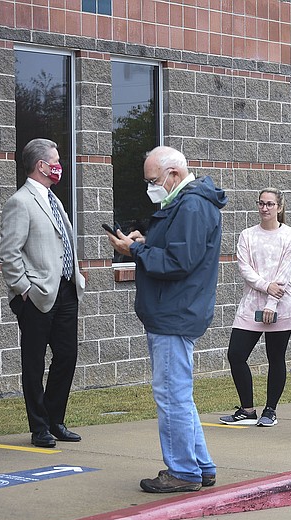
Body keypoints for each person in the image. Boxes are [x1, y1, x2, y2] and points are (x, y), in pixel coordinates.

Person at [108, 146, 226, 492]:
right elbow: (177, 248)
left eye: (153, 181)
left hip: (174, 312)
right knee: (179, 393)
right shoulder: (188, 203)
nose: (151, 188)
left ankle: (183, 472)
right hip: (175, 310)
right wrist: (147, 239)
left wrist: (136, 251)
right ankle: (200, 465)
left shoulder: (191, 205)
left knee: (171, 395)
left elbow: (178, 261)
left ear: (174, 174)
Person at [0, 138, 86, 448]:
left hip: (65, 291)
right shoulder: (20, 202)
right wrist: (23, 290)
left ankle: (55, 420)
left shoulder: (54, 200)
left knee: (67, 356)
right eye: (56, 160)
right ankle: (39, 428)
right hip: (35, 296)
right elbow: (9, 253)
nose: (59, 165)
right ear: (41, 165)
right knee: (34, 363)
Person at [219, 188, 291, 427]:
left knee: (276, 357)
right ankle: (247, 409)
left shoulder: (290, 235)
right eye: (261, 203)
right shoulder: (247, 235)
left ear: (279, 208)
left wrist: (272, 303)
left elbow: (285, 272)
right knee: (236, 354)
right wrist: (265, 286)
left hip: (281, 305)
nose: (265, 208)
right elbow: (245, 269)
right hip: (251, 303)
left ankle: (270, 410)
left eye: (270, 204)